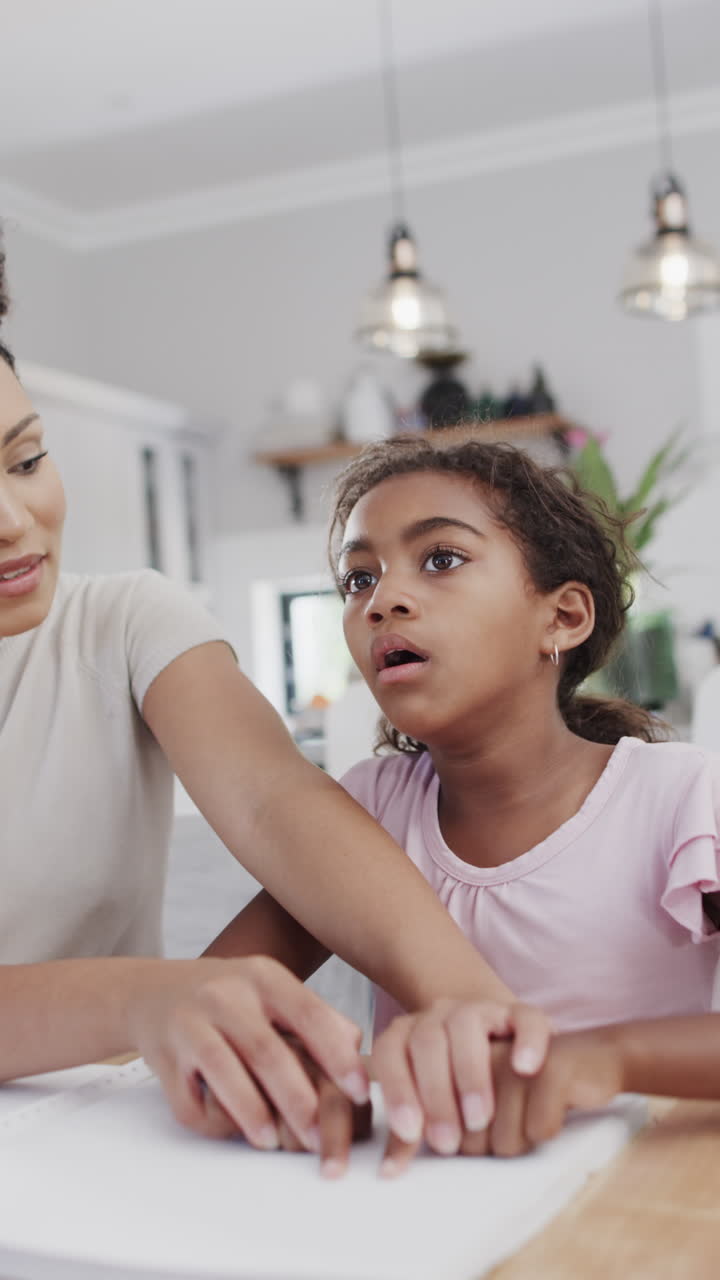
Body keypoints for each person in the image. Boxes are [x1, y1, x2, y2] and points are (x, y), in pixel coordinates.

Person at [0, 244, 549, 1159]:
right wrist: (143, 996)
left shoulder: (122, 622)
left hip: (90, 1149)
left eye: (23, 461)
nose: (12, 521)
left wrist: (467, 1003)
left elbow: (275, 800)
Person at [239, 433, 720, 1174]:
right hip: (428, 1198)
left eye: (441, 559)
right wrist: (316, 1075)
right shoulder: (364, 811)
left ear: (561, 619)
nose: (382, 601)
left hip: (640, 1196)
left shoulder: (682, 797)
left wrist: (604, 1059)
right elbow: (223, 998)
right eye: (357, 579)